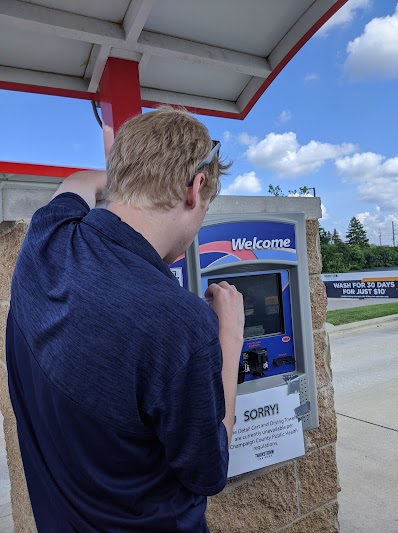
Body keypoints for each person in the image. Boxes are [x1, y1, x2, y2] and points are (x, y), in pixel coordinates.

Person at [6, 107, 245, 532]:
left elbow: (78, 183)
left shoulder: (47, 237)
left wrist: (128, 174)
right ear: (196, 188)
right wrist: (229, 336)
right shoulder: (181, 323)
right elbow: (209, 471)